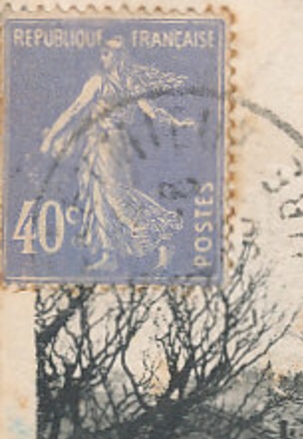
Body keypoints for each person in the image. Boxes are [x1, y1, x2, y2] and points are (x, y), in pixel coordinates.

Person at [40, 37, 193, 271]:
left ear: (121, 55)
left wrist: (175, 122)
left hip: (110, 144)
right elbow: (75, 111)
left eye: (109, 53)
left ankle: (162, 236)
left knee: (115, 195)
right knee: (98, 197)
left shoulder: (115, 82)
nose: (104, 58)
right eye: (103, 53)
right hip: (96, 143)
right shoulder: (104, 81)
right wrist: (53, 136)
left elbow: (149, 110)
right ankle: (108, 255)